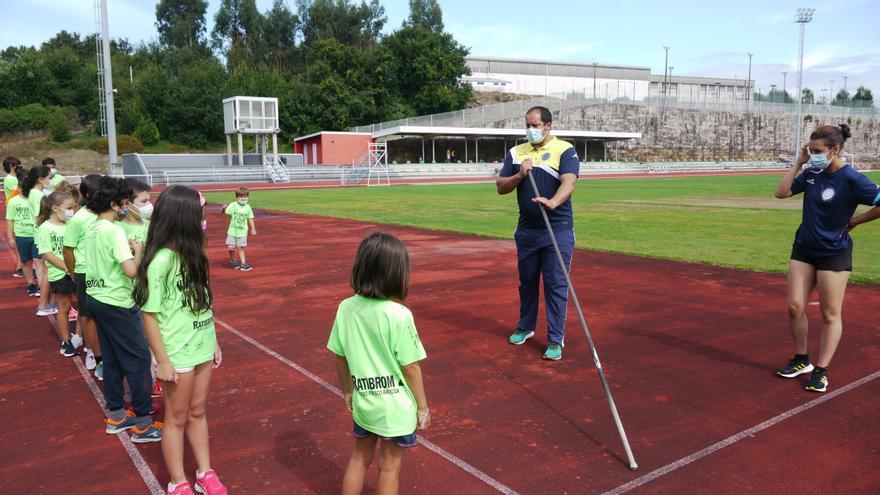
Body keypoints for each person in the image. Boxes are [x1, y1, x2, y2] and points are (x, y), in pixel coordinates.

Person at [773, 123, 880, 393]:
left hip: (834, 253)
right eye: (810, 150)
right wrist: (799, 163)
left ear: (835, 149)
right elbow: (781, 192)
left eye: (817, 151)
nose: (813, 154)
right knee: (794, 306)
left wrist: (856, 220)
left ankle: (821, 370)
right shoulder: (812, 174)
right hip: (804, 249)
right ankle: (801, 360)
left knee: (829, 313)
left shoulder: (852, 178)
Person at [134, 185, 226, 495]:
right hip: (177, 352)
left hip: (201, 345)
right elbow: (149, 314)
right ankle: (178, 481)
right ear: (184, 218)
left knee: (198, 411)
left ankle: (204, 471)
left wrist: (212, 339)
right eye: (200, 214)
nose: (204, 219)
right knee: (176, 417)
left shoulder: (196, 254)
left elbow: (203, 301)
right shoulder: (160, 261)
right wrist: (162, 360)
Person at [327, 231, 430, 495]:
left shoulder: (345, 308)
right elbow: (411, 367)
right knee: (389, 467)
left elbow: (340, 355)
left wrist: (348, 392)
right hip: (395, 409)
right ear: (396, 273)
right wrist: (423, 407)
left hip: (365, 401)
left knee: (359, 458)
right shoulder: (399, 315)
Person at [496, 106, 580, 361]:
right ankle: (526, 326)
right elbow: (501, 186)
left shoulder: (564, 149)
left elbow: (569, 181)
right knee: (528, 282)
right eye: (527, 125)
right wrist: (520, 174)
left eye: (535, 125)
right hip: (527, 231)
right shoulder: (516, 152)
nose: (530, 130)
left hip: (558, 229)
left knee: (555, 284)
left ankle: (555, 339)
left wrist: (553, 202)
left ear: (548, 126)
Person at [84, 176, 162, 442]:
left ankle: (116, 415)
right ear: (115, 204)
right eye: (125, 202)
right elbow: (130, 271)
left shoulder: (93, 228)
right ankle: (143, 424)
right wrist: (137, 251)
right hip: (117, 301)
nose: (126, 206)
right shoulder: (115, 230)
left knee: (113, 359)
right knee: (139, 361)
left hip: (96, 297)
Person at [64, 174, 103, 378]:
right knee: (88, 316)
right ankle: (95, 356)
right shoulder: (78, 218)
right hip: (85, 272)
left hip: (106, 272)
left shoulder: (105, 214)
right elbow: (68, 249)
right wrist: (73, 273)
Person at [35, 190, 80, 357]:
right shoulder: (45, 228)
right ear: (56, 208)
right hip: (60, 273)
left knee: (84, 306)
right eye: (69, 207)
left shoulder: (72, 224)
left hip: (78, 271)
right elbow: (47, 254)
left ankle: (81, 336)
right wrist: (68, 268)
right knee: (65, 306)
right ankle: (66, 341)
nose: (72, 211)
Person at [21, 165, 53, 315]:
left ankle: (46, 303)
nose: (50, 181)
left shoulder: (34, 193)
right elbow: (39, 217)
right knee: (47, 271)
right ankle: (46, 304)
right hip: (43, 235)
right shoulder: (39, 195)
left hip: (38, 234)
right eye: (49, 178)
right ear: (40, 179)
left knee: (43, 270)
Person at [5, 173, 40, 297]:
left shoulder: (37, 198)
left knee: (38, 261)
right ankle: (31, 284)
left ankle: (41, 285)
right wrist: (10, 236)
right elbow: (10, 219)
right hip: (22, 235)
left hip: (37, 235)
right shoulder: (13, 202)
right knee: (26, 262)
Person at [223, 187, 256, 271]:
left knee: (241, 247)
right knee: (231, 247)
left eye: (245, 196)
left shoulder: (248, 207)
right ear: (237, 197)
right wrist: (223, 208)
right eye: (241, 197)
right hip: (232, 230)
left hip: (242, 231)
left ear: (247, 197)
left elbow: (250, 218)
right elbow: (225, 212)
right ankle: (233, 260)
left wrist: (253, 228)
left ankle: (243, 264)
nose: (243, 198)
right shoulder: (233, 205)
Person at [3, 156, 24, 278]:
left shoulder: (14, 178)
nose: (20, 167)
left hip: (17, 211)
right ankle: (20, 267)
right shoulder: (11, 179)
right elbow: (19, 190)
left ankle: (21, 266)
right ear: (12, 166)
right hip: (16, 212)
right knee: (20, 241)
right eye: (18, 165)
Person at [119, 178, 153, 246]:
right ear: (128, 203)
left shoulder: (151, 226)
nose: (149, 205)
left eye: (150, 200)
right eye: (144, 201)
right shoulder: (118, 228)